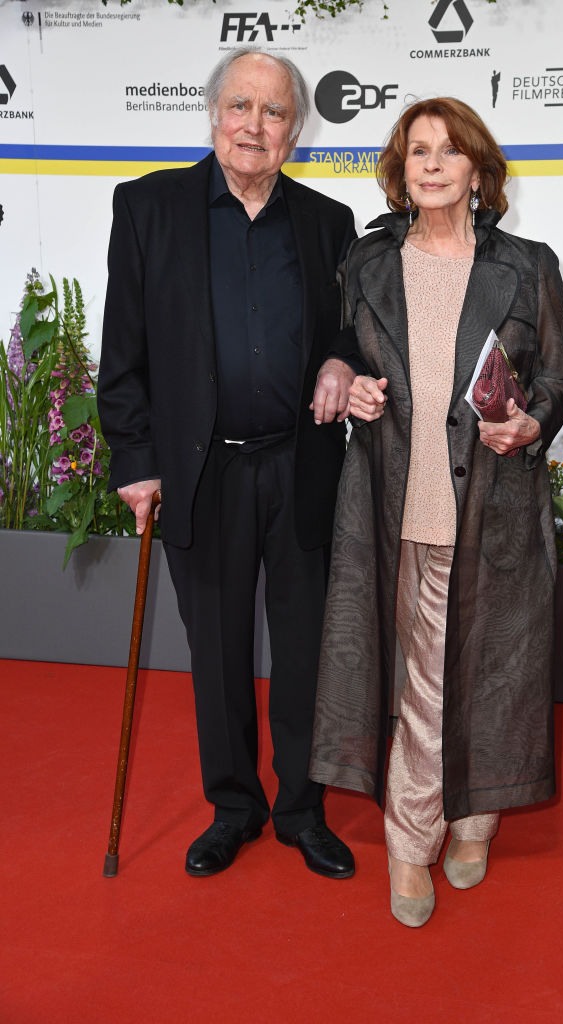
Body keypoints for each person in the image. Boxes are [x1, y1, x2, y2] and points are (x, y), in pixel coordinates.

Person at [309, 97, 563, 925]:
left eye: (448, 150)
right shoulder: (366, 261)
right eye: (416, 150)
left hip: (495, 513)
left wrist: (534, 421)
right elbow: (340, 354)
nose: (430, 163)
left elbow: (557, 380)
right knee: (425, 687)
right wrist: (345, 380)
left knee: (496, 676)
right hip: (401, 507)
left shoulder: (528, 265)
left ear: (475, 170)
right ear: (400, 169)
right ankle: (411, 842)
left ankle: (476, 820)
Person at [98, 49, 358, 881]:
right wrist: (136, 462)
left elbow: (346, 334)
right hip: (198, 475)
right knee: (214, 655)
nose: (255, 125)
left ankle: (302, 810)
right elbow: (123, 353)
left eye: (274, 112)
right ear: (213, 114)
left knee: (304, 653)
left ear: (296, 129)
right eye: (240, 106)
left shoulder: (327, 223)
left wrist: (340, 364)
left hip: (299, 468)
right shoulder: (148, 208)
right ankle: (234, 807)